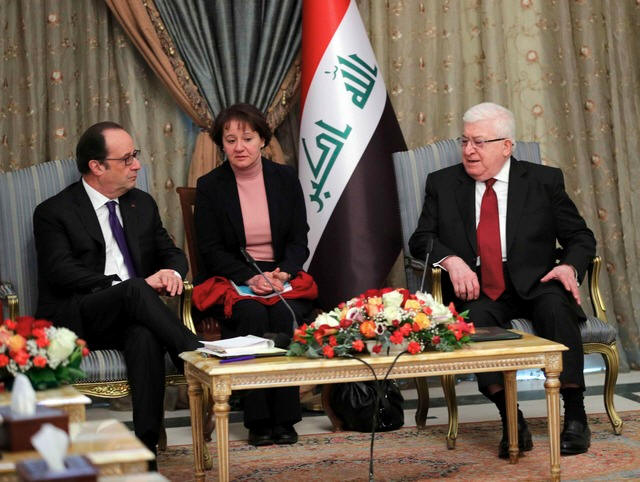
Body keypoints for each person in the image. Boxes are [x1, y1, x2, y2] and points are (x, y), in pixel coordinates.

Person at [409, 102, 595, 458]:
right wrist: (452, 261)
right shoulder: (443, 183)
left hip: (538, 279)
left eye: (479, 142)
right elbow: (421, 239)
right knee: (475, 323)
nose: (468, 150)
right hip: (477, 284)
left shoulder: (544, 181)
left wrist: (569, 267)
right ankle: (510, 418)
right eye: (464, 141)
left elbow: (580, 236)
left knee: (557, 309)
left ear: (506, 146)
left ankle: (575, 415)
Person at [33, 122, 201, 463]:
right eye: (126, 159)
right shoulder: (54, 212)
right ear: (97, 166)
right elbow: (60, 271)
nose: (137, 165)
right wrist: (122, 287)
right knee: (135, 288)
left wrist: (171, 273)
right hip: (78, 316)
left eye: (134, 155)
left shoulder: (141, 204)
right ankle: (195, 355)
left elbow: (170, 251)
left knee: (145, 335)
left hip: (132, 314)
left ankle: (146, 450)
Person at [194, 103, 314, 447]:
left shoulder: (285, 178)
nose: (239, 147)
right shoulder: (210, 186)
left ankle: (285, 418)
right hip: (234, 276)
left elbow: (299, 239)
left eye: (247, 138)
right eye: (230, 140)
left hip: (280, 274)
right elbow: (210, 249)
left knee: (282, 315)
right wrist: (250, 278)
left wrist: (283, 273)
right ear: (222, 144)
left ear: (262, 139)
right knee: (251, 314)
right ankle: (258, 420)